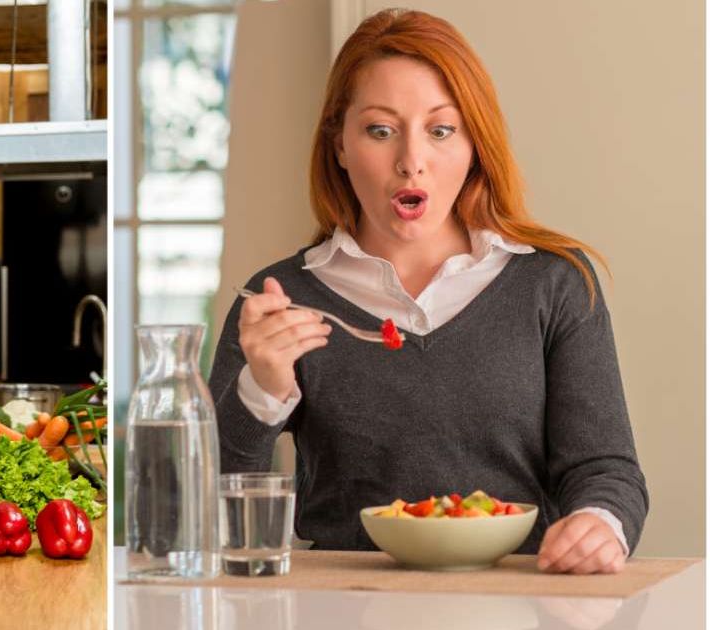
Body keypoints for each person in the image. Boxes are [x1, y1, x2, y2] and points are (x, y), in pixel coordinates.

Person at [209, 9, 647, 576]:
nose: (411, 162)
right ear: (339, 145)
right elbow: (202, 507)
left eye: (441, 131)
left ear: (474, 145)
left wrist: (600, 523)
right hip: (340, 609)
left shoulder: (555, 283)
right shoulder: (279, 298)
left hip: (523, 602)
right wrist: (259, 391)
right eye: (379, 131)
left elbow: (607, 469)